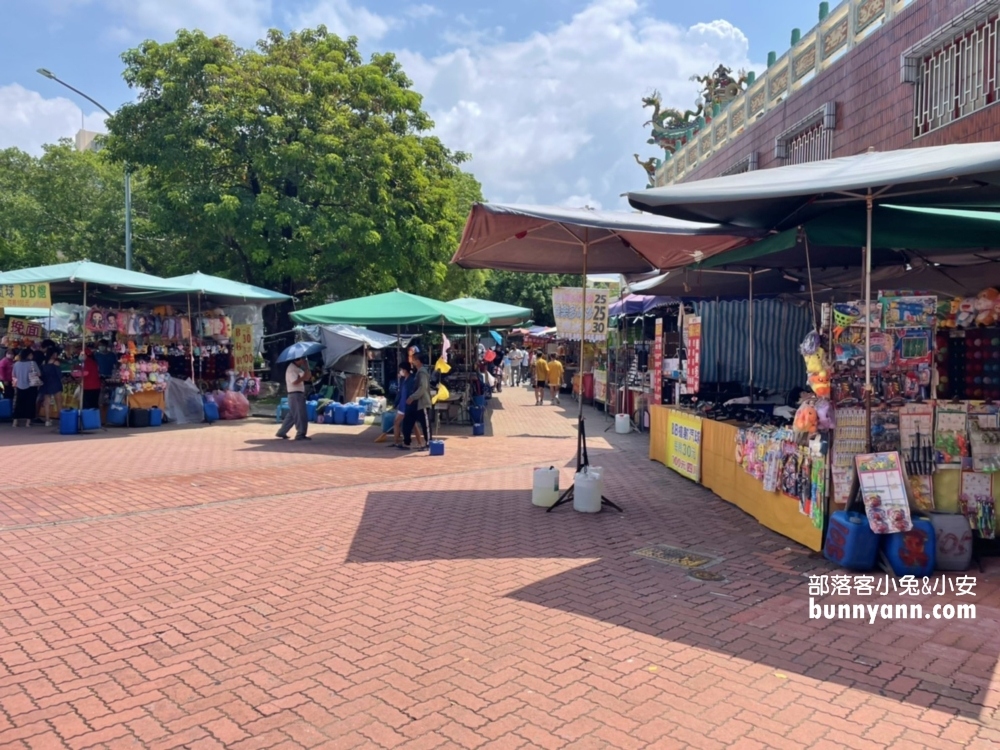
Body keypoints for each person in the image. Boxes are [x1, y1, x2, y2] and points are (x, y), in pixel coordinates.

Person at [276, 356, 312, 441]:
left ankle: (282, 432)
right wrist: (302, 378)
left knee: (292, 415)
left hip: (297, 394)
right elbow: (294, 382)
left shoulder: (298, 368)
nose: (303, 361)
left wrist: (307, 367)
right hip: (295, 394)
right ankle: (300, 434)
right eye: (302, 360)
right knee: (300, 415)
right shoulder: (292, 368)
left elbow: (308, 377)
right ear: (298, 360)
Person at [402, 352, 432, 451]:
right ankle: (406, 442)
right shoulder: (418, 372)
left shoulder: (422, 372)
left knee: (425, 425)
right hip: (415, 404)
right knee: (407, 421)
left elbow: (422, 387)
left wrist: (412, 397)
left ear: (418, 361)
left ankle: (428, 444)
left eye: (414, 360)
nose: (413, 362)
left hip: (422, 403)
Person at [391, 363, 424, 448]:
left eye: (401, 369)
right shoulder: (403, 379)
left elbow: (412, 393)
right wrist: (396, 403)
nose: (400, 371)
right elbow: (400, 393)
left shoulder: (412, 380)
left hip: (408, 406)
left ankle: (419, 443)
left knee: (413, 425)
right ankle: (396, 441)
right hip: (402, 405)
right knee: (397, 422)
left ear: (404, 370)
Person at [11, 350, 41, 428]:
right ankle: (28, 422)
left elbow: (13, 374)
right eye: (31, 355)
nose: (32, 356)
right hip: (31, 385)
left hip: (19, 386)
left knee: (18, 404)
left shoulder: (16, 364)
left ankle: (15, 421)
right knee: (30, 404)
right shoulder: (32, 363)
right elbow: (39, 373)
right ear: (28, 355)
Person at [38, 351, 64, 427]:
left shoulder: (43, 363)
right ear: (53, 354)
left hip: (46, 383)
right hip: (55, 383)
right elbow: (59, 374)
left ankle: (47, 420)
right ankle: (61, 420)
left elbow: (41, 374)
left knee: (47, 403)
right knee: (58, 402)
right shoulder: (56, 362)